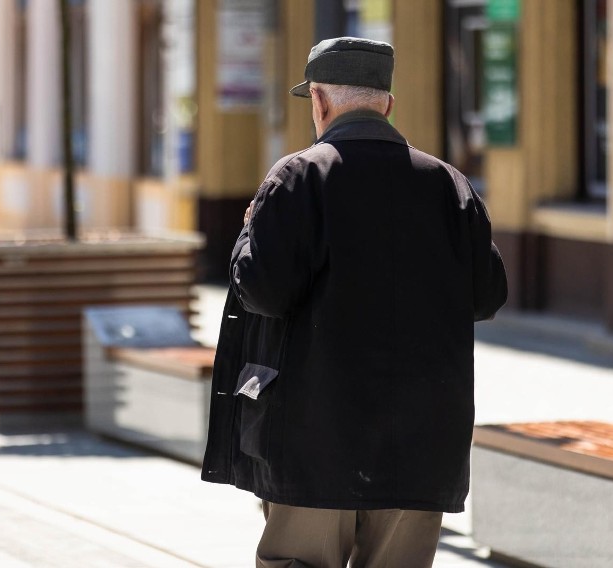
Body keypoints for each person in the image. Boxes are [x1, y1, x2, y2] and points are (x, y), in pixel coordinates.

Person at [201, 36, 508, 568]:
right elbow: (488, 296)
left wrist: (247, 234)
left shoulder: (298, 178)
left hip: (312, 439)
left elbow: (263, 290)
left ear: (318, 102)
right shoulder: (449, 187)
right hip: (420, 446)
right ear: (387, 103)